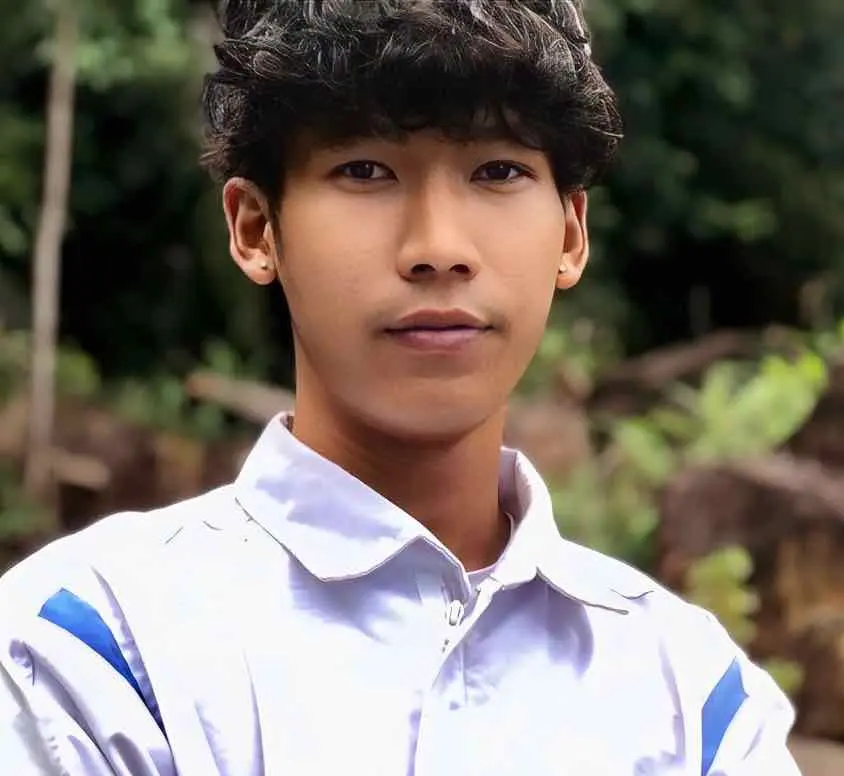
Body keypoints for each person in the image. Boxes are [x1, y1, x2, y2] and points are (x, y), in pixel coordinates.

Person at [0, 1, 801, 774]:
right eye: (364, 170)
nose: (438, 248)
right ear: (255, 228)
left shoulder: (693, 704)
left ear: (570, 234)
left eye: (498, 170)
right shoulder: (93, 652)